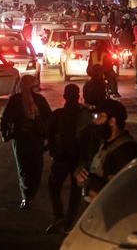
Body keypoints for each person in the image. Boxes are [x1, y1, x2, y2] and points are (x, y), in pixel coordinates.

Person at [1, 75, 52, 210]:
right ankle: (27, 196)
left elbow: (49, 118)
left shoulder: (37, 100)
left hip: (33, 138)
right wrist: (5, 133)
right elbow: (6, 119)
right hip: (24, 138)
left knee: (32, 167)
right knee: (27, 167)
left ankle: (29, 195)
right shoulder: (17, 100)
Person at [75, 99, 137, 201]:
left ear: (112, 121)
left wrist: (89, 183)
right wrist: (80, 172)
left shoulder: (127, 152)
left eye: (99, 117)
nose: (95, 121)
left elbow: (122, 195)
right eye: (94, 117)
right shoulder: (106, 143)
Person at [45, 84, 86, 234]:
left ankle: (60, 218)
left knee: (54, 185)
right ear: (78, 96)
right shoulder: (85, 114)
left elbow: (49, 133)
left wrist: (53, 150)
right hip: (78, 158)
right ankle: (68, 223)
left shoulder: (58, 114)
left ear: (64, 97)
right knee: (75, 192)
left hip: (63, 157)